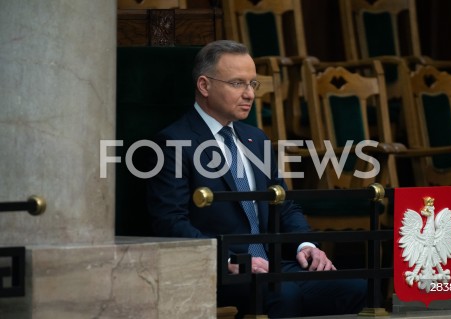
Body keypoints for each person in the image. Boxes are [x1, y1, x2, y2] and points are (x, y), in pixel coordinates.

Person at [146, 39, 366, 318]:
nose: (249, 94)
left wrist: (306, 245)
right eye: (238, 83)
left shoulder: (256, 139)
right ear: (204, 86)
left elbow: (284, 205)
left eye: (252, 84)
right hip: (221, 270)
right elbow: (170, 222)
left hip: (273, 263)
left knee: (353, 287)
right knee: (281, 293)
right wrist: (228, 260)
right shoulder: (174, 141)